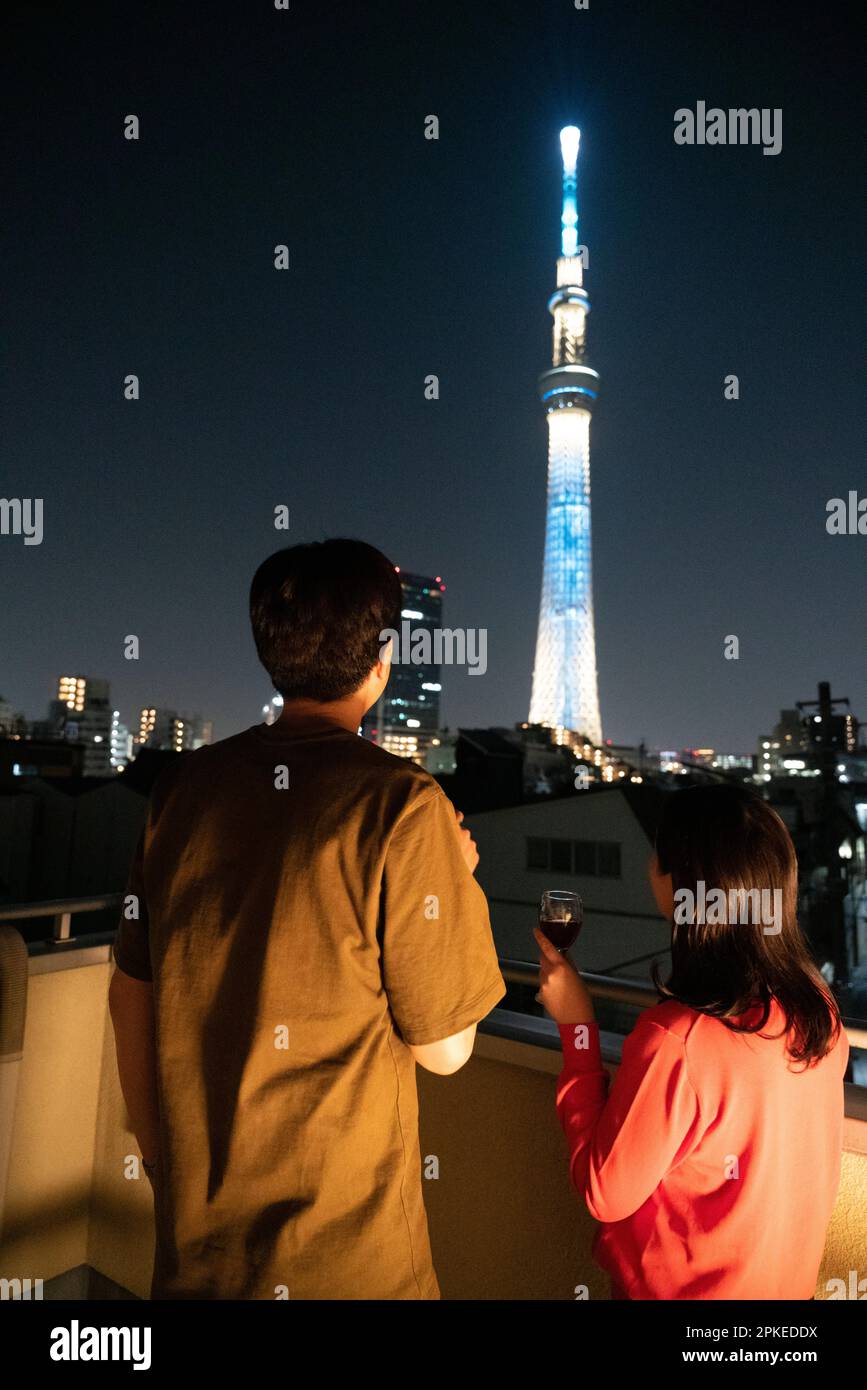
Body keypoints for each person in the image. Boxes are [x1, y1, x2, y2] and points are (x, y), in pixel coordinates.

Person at [109, 538, 505, 1299]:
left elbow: (132, 987)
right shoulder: (401, 803)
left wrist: (160, 1158)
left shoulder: (183, 788)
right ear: (381, 662)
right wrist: (456, 877)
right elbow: (445, 1050)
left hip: (197, 1245)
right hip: (347, 1257)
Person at [535, 783, 849, 1300]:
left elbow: (603, 1191)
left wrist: (578, 1026)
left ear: (686, 882)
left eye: (660, 853)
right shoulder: (818, 1011)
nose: (649, 866)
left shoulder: (677, 1039)